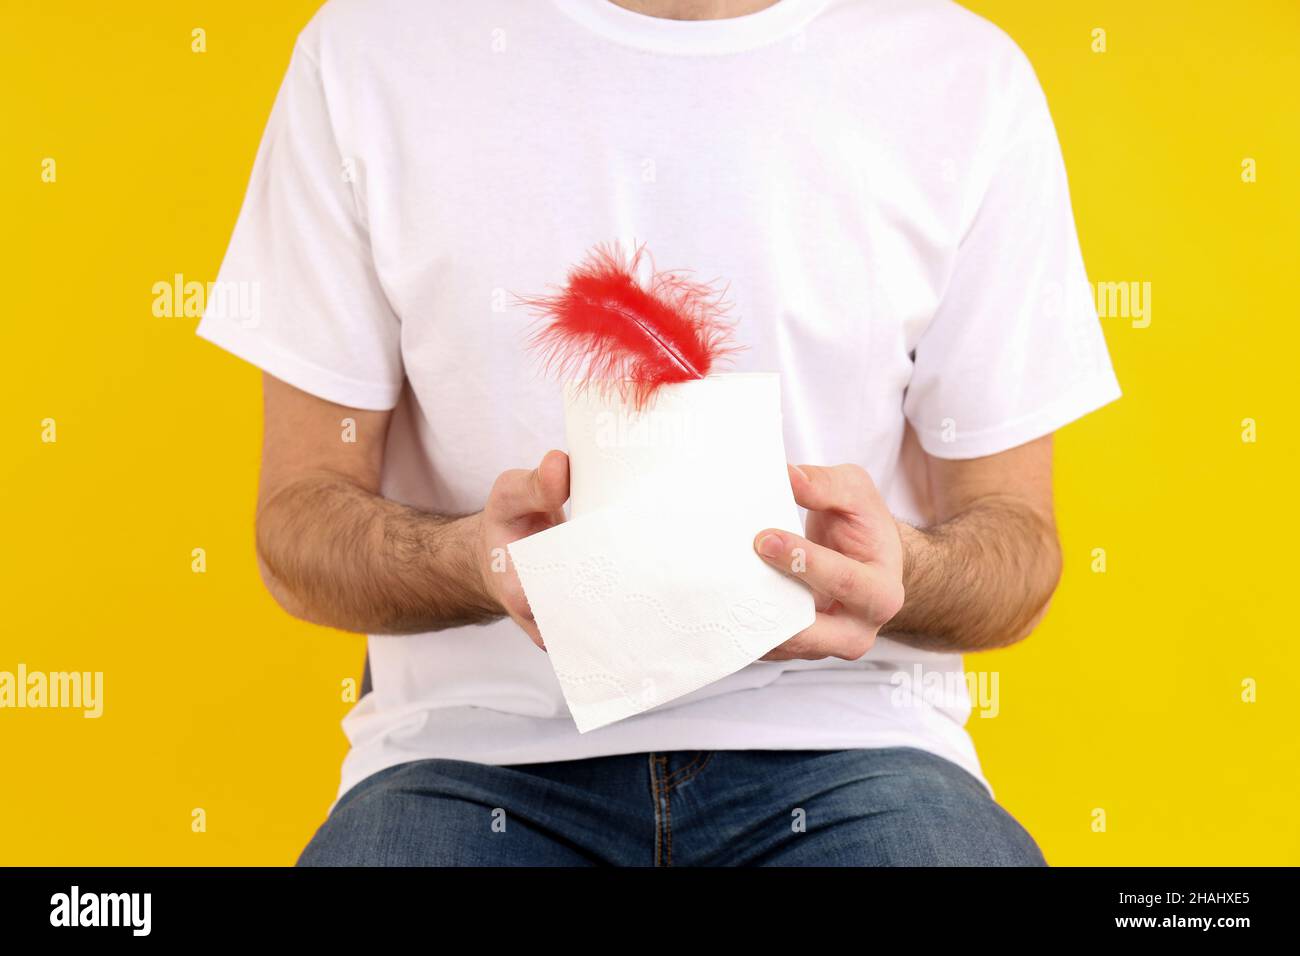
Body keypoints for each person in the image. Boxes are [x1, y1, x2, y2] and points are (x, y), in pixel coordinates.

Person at [197, 0, 1120, 866]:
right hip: (468, 754)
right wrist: (466, 560)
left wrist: (898, 571)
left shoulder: (960, 75)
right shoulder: (371, 50)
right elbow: (297, 527)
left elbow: (1017, 554)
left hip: (853, 743)